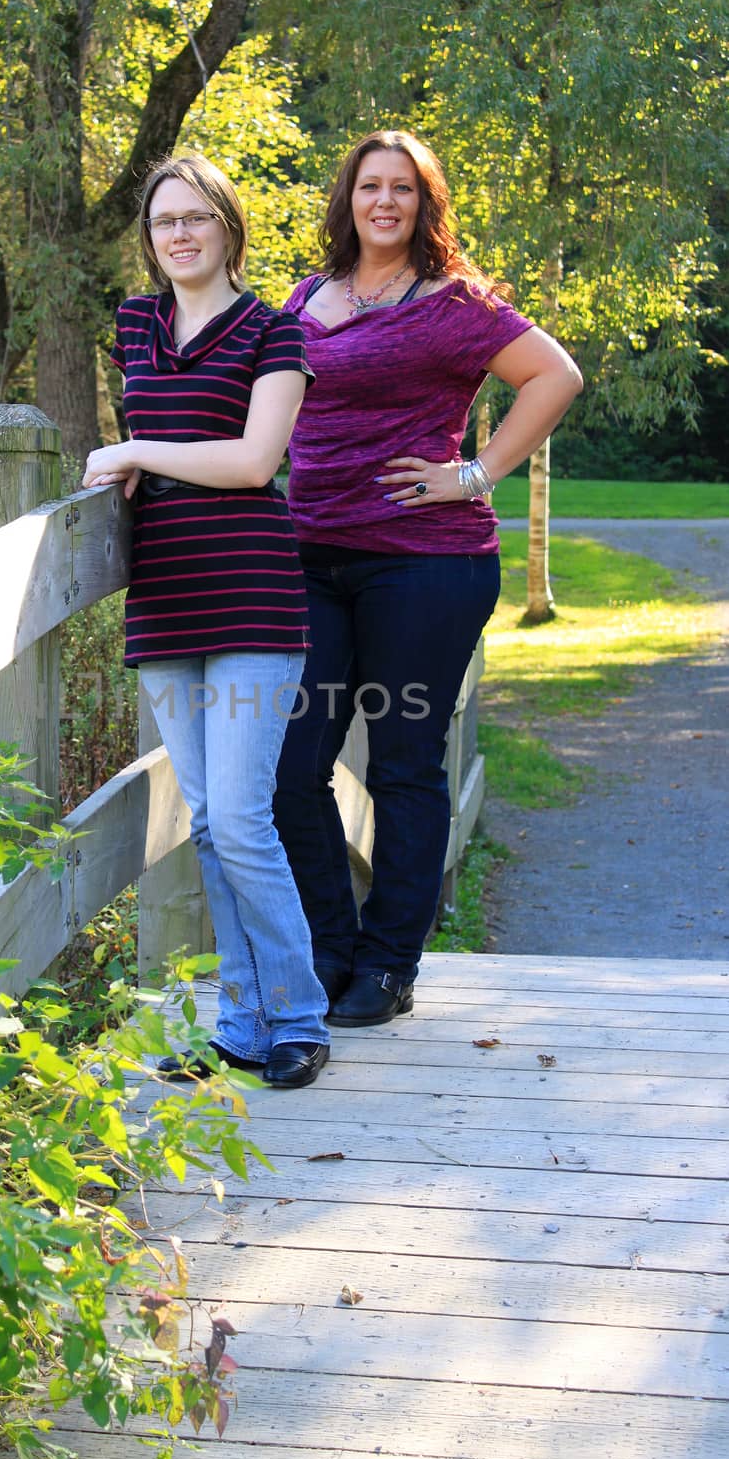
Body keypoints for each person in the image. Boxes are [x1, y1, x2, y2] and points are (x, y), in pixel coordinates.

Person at [273, 129, 583, 1028]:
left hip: (425, 565)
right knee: (294, 765)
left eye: (401, 189)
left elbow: (553, 376)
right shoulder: (306, 295)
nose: (383, 202)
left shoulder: (457, 304)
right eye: (369, 186)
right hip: (311, 559)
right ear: (348, 199)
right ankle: (331, 949)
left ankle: (389, 964)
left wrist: (476, 472)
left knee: (404, 763)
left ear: (423, 203)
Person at [82, 152, 330, 1089]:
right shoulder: (137, 324)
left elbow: (254, 462)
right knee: (214, 826)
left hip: (253, 599)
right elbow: (175, 449)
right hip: (165, 600)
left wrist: (135, 446)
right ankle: (241, 1022)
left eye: (195, 217)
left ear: (228, 227)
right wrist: (131, 461)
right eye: (161, 222)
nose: (178, 234)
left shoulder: (275, 333)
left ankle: (298, 1017)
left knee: (239, 815)